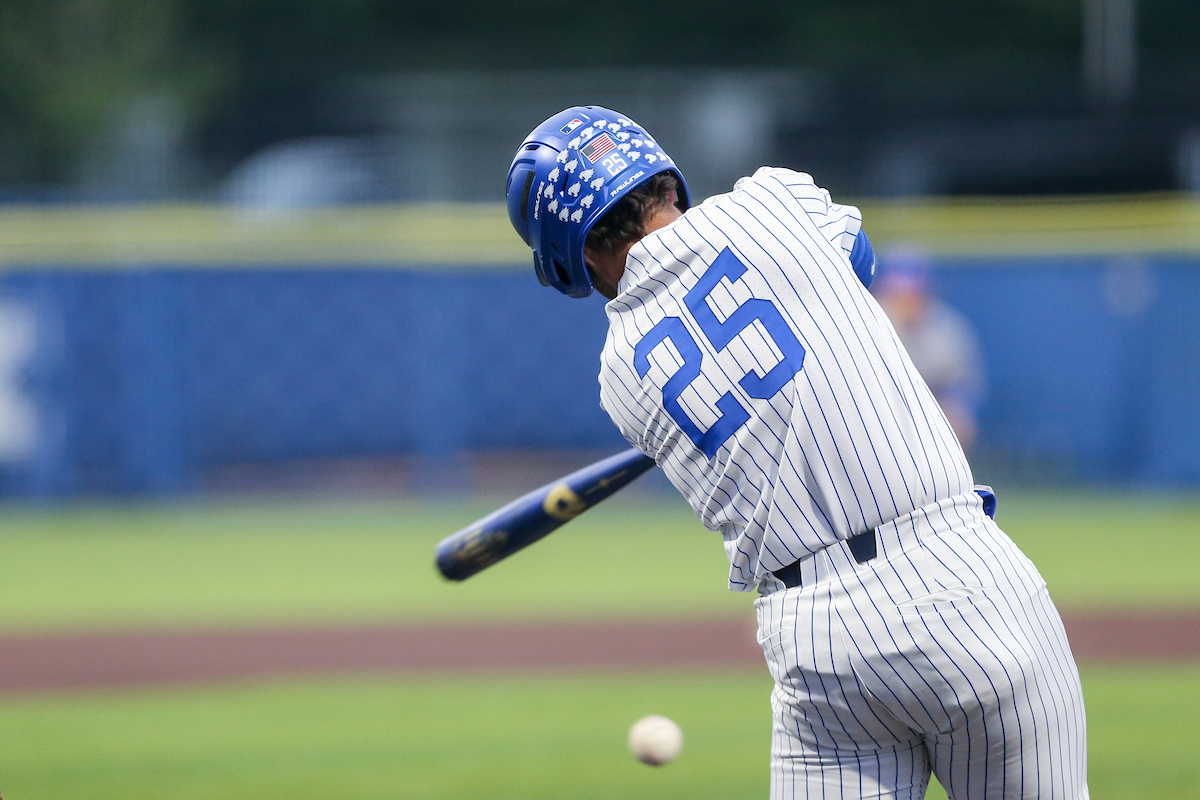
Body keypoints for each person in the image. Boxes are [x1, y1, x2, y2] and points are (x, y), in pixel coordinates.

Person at [506, 106, 1086, 800]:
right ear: (661, 177)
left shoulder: (619, 378)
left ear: (574, 251)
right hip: (960, 583)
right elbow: (860, 268)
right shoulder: (772, 199)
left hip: (819, 645)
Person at [874, 248, 985, 452]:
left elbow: (964, 392)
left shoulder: (949, 331)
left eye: (913, 295)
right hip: (877, 411)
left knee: (957, 421)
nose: (906, 303)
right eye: (896, 295)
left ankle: (947, 480)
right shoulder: (867, 327)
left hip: (930, 415)